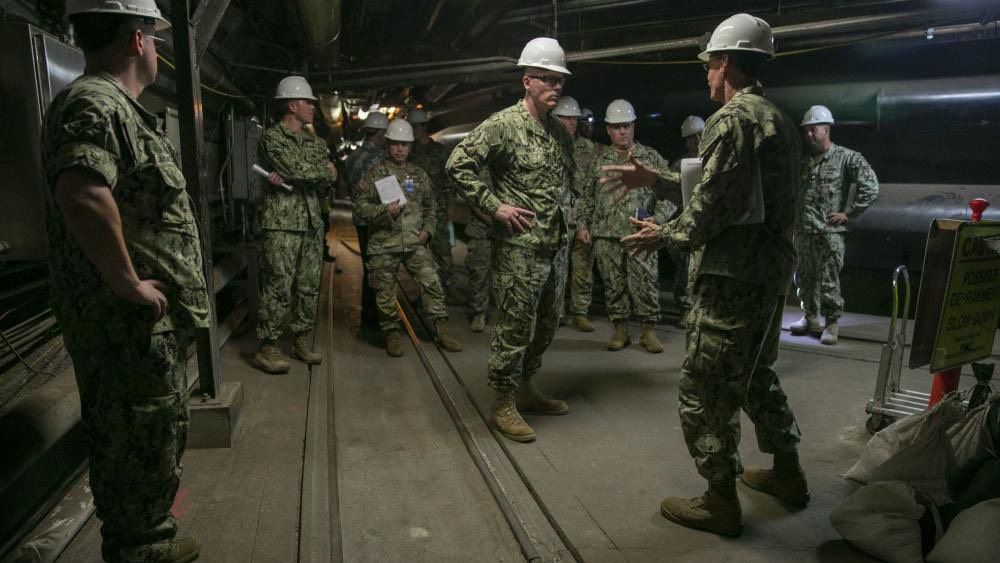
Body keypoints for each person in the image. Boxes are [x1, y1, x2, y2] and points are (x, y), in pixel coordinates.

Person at [607, 13, 808, 537]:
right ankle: (789, 475)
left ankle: (720, 502)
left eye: (709, 65)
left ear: (724, 64)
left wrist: (664, 234)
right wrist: (661, 178)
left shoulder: (731, 120)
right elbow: (735, 189)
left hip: (732, 278)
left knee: (705, 385)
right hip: (767, 275)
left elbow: (714, 207)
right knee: (755, 375)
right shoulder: (775, 119)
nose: (706, 76)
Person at [42, 1, 204, 560]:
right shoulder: (95, 102)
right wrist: (129, 284)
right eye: (154, 38)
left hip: (137, 328)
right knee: (136, 437)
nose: (156, 48)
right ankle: (139, 549)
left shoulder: (116, 107)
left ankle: (148, 539)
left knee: (150, 435)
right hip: (124, 326)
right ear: (137, 40)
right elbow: (82, 192)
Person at [446, 37, 575, 443]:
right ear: (527, 81)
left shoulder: (557, 132)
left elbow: (563, 184)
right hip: (519, 249)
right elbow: (458, 164)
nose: (556, 88)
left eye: (560, 81)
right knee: (515, 327)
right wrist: (494, 205)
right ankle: (503, 400)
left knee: (548, 324)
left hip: (554, 247)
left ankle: (526, 386)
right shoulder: (503, 125)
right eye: (548, 80)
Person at [353, 119, 463, 357]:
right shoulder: (374, 174)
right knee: (384, 292)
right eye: (395, 144)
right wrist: (384, 211)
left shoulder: (418, 175)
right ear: (388, 145)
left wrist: (428, 231)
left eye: (404, 145)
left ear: (411, 147)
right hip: (383, 244)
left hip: (414, 242)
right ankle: (391, 333)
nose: (400, 149)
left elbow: (431, 207)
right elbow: (360, 208)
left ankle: (441, 330)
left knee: (431, 282)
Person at [577, 99, 677, 353]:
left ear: (634, 127)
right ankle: (620, 330)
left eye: (627, 126)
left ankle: (648, 331)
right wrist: (582, 225)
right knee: (613, 285)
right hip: (606, 233)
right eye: (617, 127)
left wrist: (660, 219)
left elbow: (671, 194)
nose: (622, 131)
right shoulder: (599, 160)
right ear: (609, 129)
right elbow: (586, 196)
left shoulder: (651, 157)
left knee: (646, 281)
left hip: (640, 234)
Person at [253, 75, 335, 373]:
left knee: (309, 286)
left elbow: (327, 174)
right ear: (292, 105)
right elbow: (298, 168)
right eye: (308, 103)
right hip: (282, 223)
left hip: (312, 222)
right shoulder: (272, 138)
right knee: (278, 285)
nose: (313, 108)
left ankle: (301, 340)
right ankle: (268, 346)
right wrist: (318, 172)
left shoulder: (316, 142)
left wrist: (314, 173)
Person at [791, 105, 879, 345]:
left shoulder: (845, 157)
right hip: (803, 232)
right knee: (804, 278)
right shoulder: (804, 162)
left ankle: (831, 323)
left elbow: (870, 186)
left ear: (827, 129)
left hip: (828, 233)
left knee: (828, 280)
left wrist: (848, 213)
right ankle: (810, 317)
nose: (809, 135)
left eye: (814, 129)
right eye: (806, 131)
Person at [552, 95, 603, 332]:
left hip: (582, 219)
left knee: (583, 268)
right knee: (556, 269)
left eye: (574, 119)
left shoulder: (590, 149)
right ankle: (557, 311)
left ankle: (580, 312)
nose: (571, 123)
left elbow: (595, 185)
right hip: (556, 219)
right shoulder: (547, 145)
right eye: (565, 118)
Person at [345, 112, 388, 335]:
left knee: (368, 266)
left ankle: (369, 316)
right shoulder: (382, 158)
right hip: (379, 220)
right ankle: (375, 318)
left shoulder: (352, 158)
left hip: (360, 219)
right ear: (380, 133)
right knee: (379, 269)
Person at [408, 108, 456, 290]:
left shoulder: (440, 151)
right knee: (421, 253)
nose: (414, 130)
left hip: (439, 210)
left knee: (442, 250)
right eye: (412, 126)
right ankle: (427, 292)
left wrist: (450, 206)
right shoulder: (410, 153)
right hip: (418, 211)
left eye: (416, 126)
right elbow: (408, 181)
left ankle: (446, 285)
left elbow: (449, 181)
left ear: (424, 126)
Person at [667, 115, 706, 325]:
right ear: (687, 141)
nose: (698, 140)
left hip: (706, 225)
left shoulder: (711, 161)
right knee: (685, 268)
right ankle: (684, 307)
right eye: (693, 137)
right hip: (684, 225)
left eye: (700, 135)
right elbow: (669, 198)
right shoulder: (678, 165)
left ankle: (702, 307)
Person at [464, 167, 496, 333]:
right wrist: (491, 220)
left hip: (510, 230)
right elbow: (472, 200)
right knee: (479, 273)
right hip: (481, 230)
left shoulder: (516, 168)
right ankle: (479, 312)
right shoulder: (481, 170)